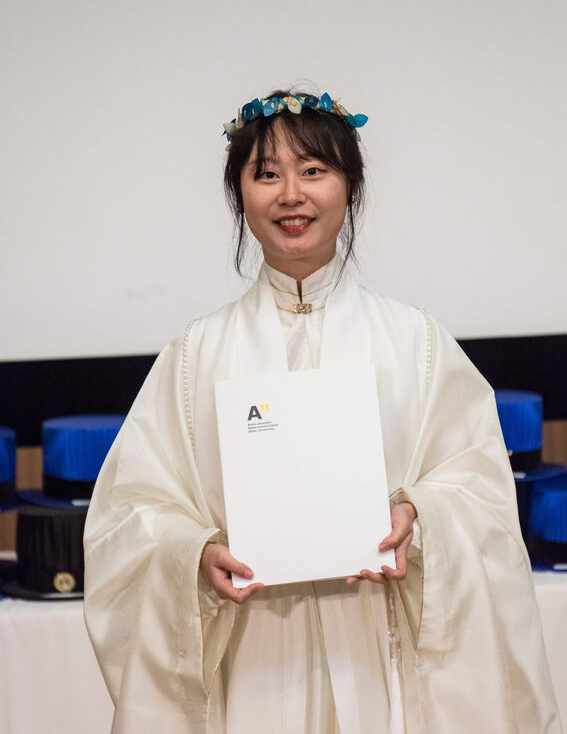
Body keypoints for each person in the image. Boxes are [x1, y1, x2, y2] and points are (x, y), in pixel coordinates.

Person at [84, 88, 560, 734]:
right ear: (239, 195)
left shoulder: (413, 342)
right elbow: (131, 512)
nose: (290, 195)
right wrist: (193, 552)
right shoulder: (196, 354)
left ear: (350, 187)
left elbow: (478, 485)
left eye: (313, 170)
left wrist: (417, 515)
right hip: (250, 650)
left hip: (379, 648)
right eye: (266, 174)